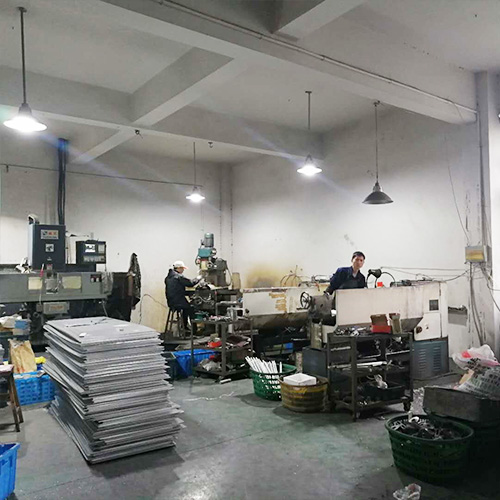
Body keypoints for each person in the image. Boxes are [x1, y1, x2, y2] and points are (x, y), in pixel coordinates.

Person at [165, 260, 201, 335]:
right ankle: (194, 331)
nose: (183, 270)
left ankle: (184, 326)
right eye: (182, 269)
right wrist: (198, 278)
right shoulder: (178, 277)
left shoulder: (168, 277)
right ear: (179, 268)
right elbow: (190, 283)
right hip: (178, 302)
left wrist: (188, 293)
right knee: (191, 308)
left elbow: (176, 290)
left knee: (186, 308)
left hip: (171, 302)